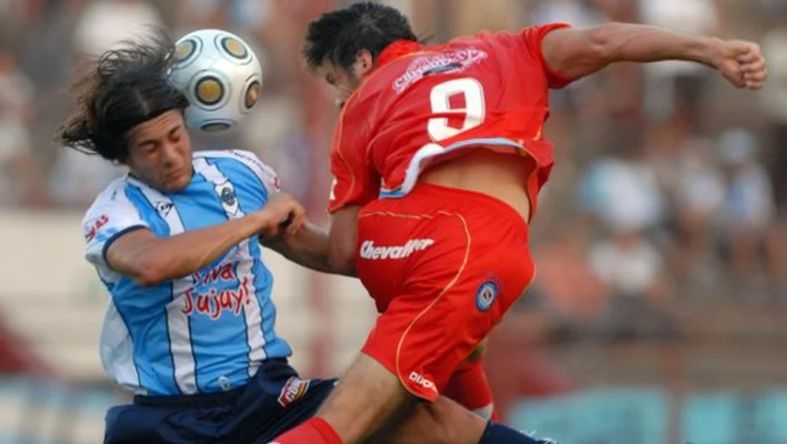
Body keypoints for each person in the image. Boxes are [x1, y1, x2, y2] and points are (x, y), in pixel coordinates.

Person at [271, 2, 768, 443]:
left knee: (404, 409)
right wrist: (709, 48)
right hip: (481, 250)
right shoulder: (511, 48)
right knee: (358, 422)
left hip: (420, 248)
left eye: (336, 82)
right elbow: (604, 39)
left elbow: (342, 251)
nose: (339, 98)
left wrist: (272, 232)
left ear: (362, 60)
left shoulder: (364, 101)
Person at [59, 32, 525, 444]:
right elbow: (152, 263)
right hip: (168, 419)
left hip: (266, 397)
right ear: (123, 158)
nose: (170, 154)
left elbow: (327, 253)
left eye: (175, 136)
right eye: (150, 147)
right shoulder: (115, 209)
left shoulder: (239, 174)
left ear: (187, 122)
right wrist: (254, 222)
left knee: (416, 414)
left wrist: (421, 250)